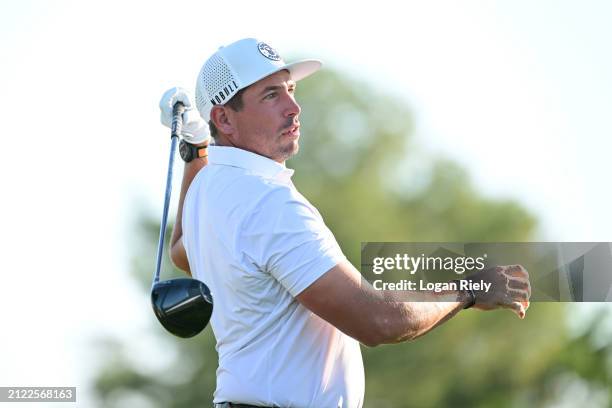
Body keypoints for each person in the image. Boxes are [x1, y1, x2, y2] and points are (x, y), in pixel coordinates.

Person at [158, 38, 531, 408]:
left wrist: (196, 149)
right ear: (223, 118)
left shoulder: (208, 185)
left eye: (290, 89)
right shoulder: (268, 204)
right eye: (271, 96)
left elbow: (181, 250)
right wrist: (468, 290)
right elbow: (378, 321)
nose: (294, 107)